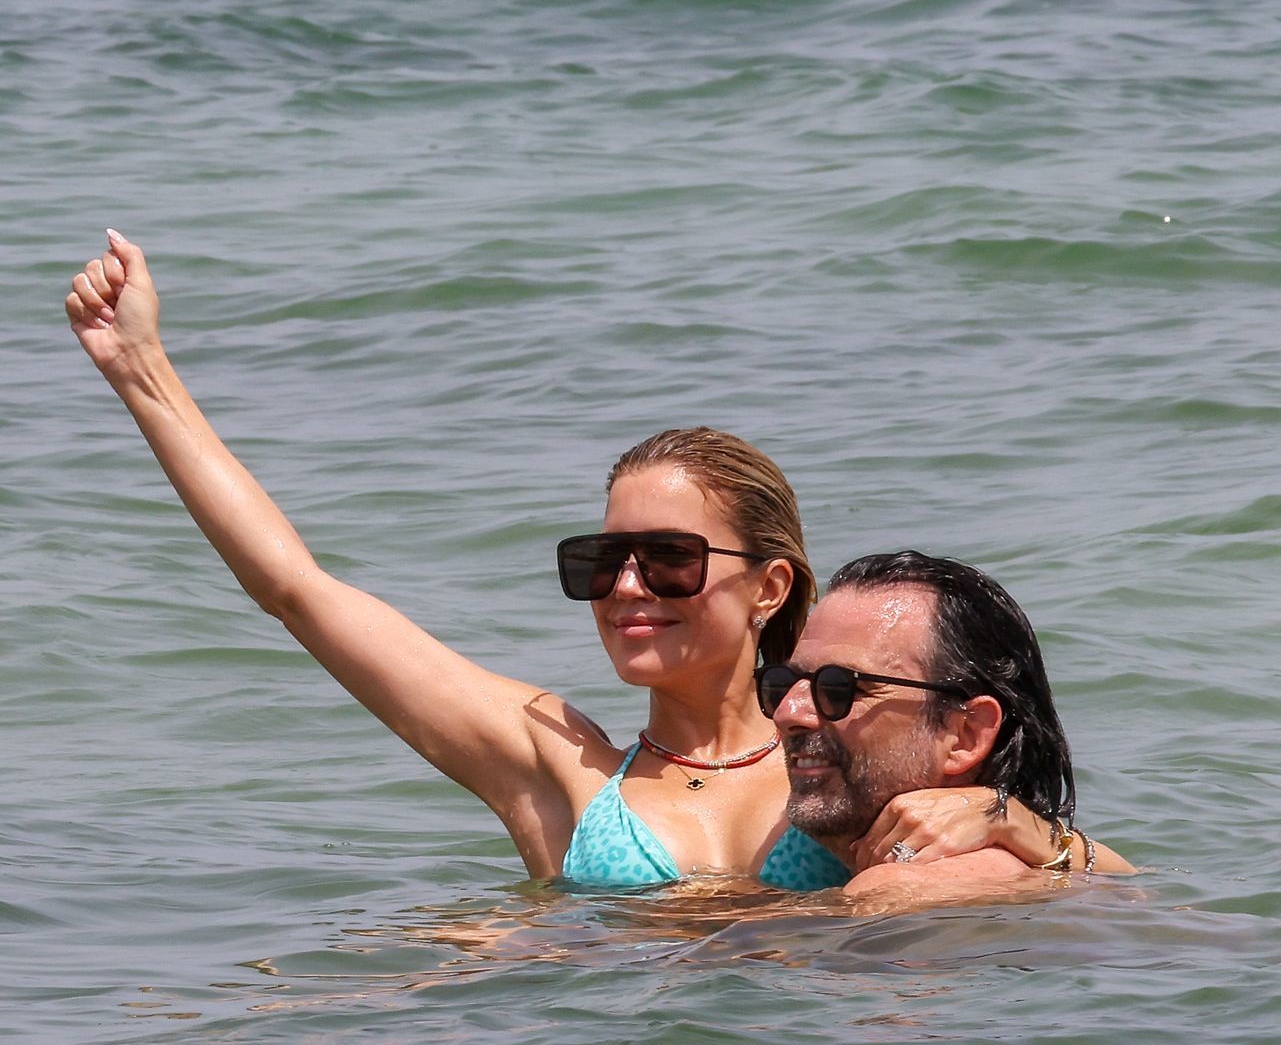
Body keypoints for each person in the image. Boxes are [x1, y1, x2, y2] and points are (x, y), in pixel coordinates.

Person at [66, 233, 1123, 889]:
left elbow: (1107, 891)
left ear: (770, 585)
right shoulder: (561, 767)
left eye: (666, 560)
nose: (624, 589)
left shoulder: (842, 755)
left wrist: (1030, 830)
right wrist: (142, 371)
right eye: (599, 561)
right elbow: (297, 590)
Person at [758, 550, 1135, 911]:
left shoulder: (900, 890)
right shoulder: (825, 862)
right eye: (784, 683)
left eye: (840, 688)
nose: (789, 712)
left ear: (966, 735)